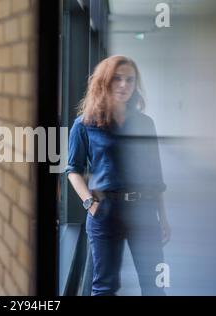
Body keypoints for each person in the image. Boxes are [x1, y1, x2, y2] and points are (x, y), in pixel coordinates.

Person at [66, 55, 171, 296]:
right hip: (105, 211)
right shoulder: (83, 125)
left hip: (143, 211)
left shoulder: (145, 123)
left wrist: (162, 216)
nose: (124, 85)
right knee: (104, 287)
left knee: (154, 286)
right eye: (117, 79)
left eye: (130, 80)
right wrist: (89, 202)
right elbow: (73, 170)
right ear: (104, 82)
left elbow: (155, 174)